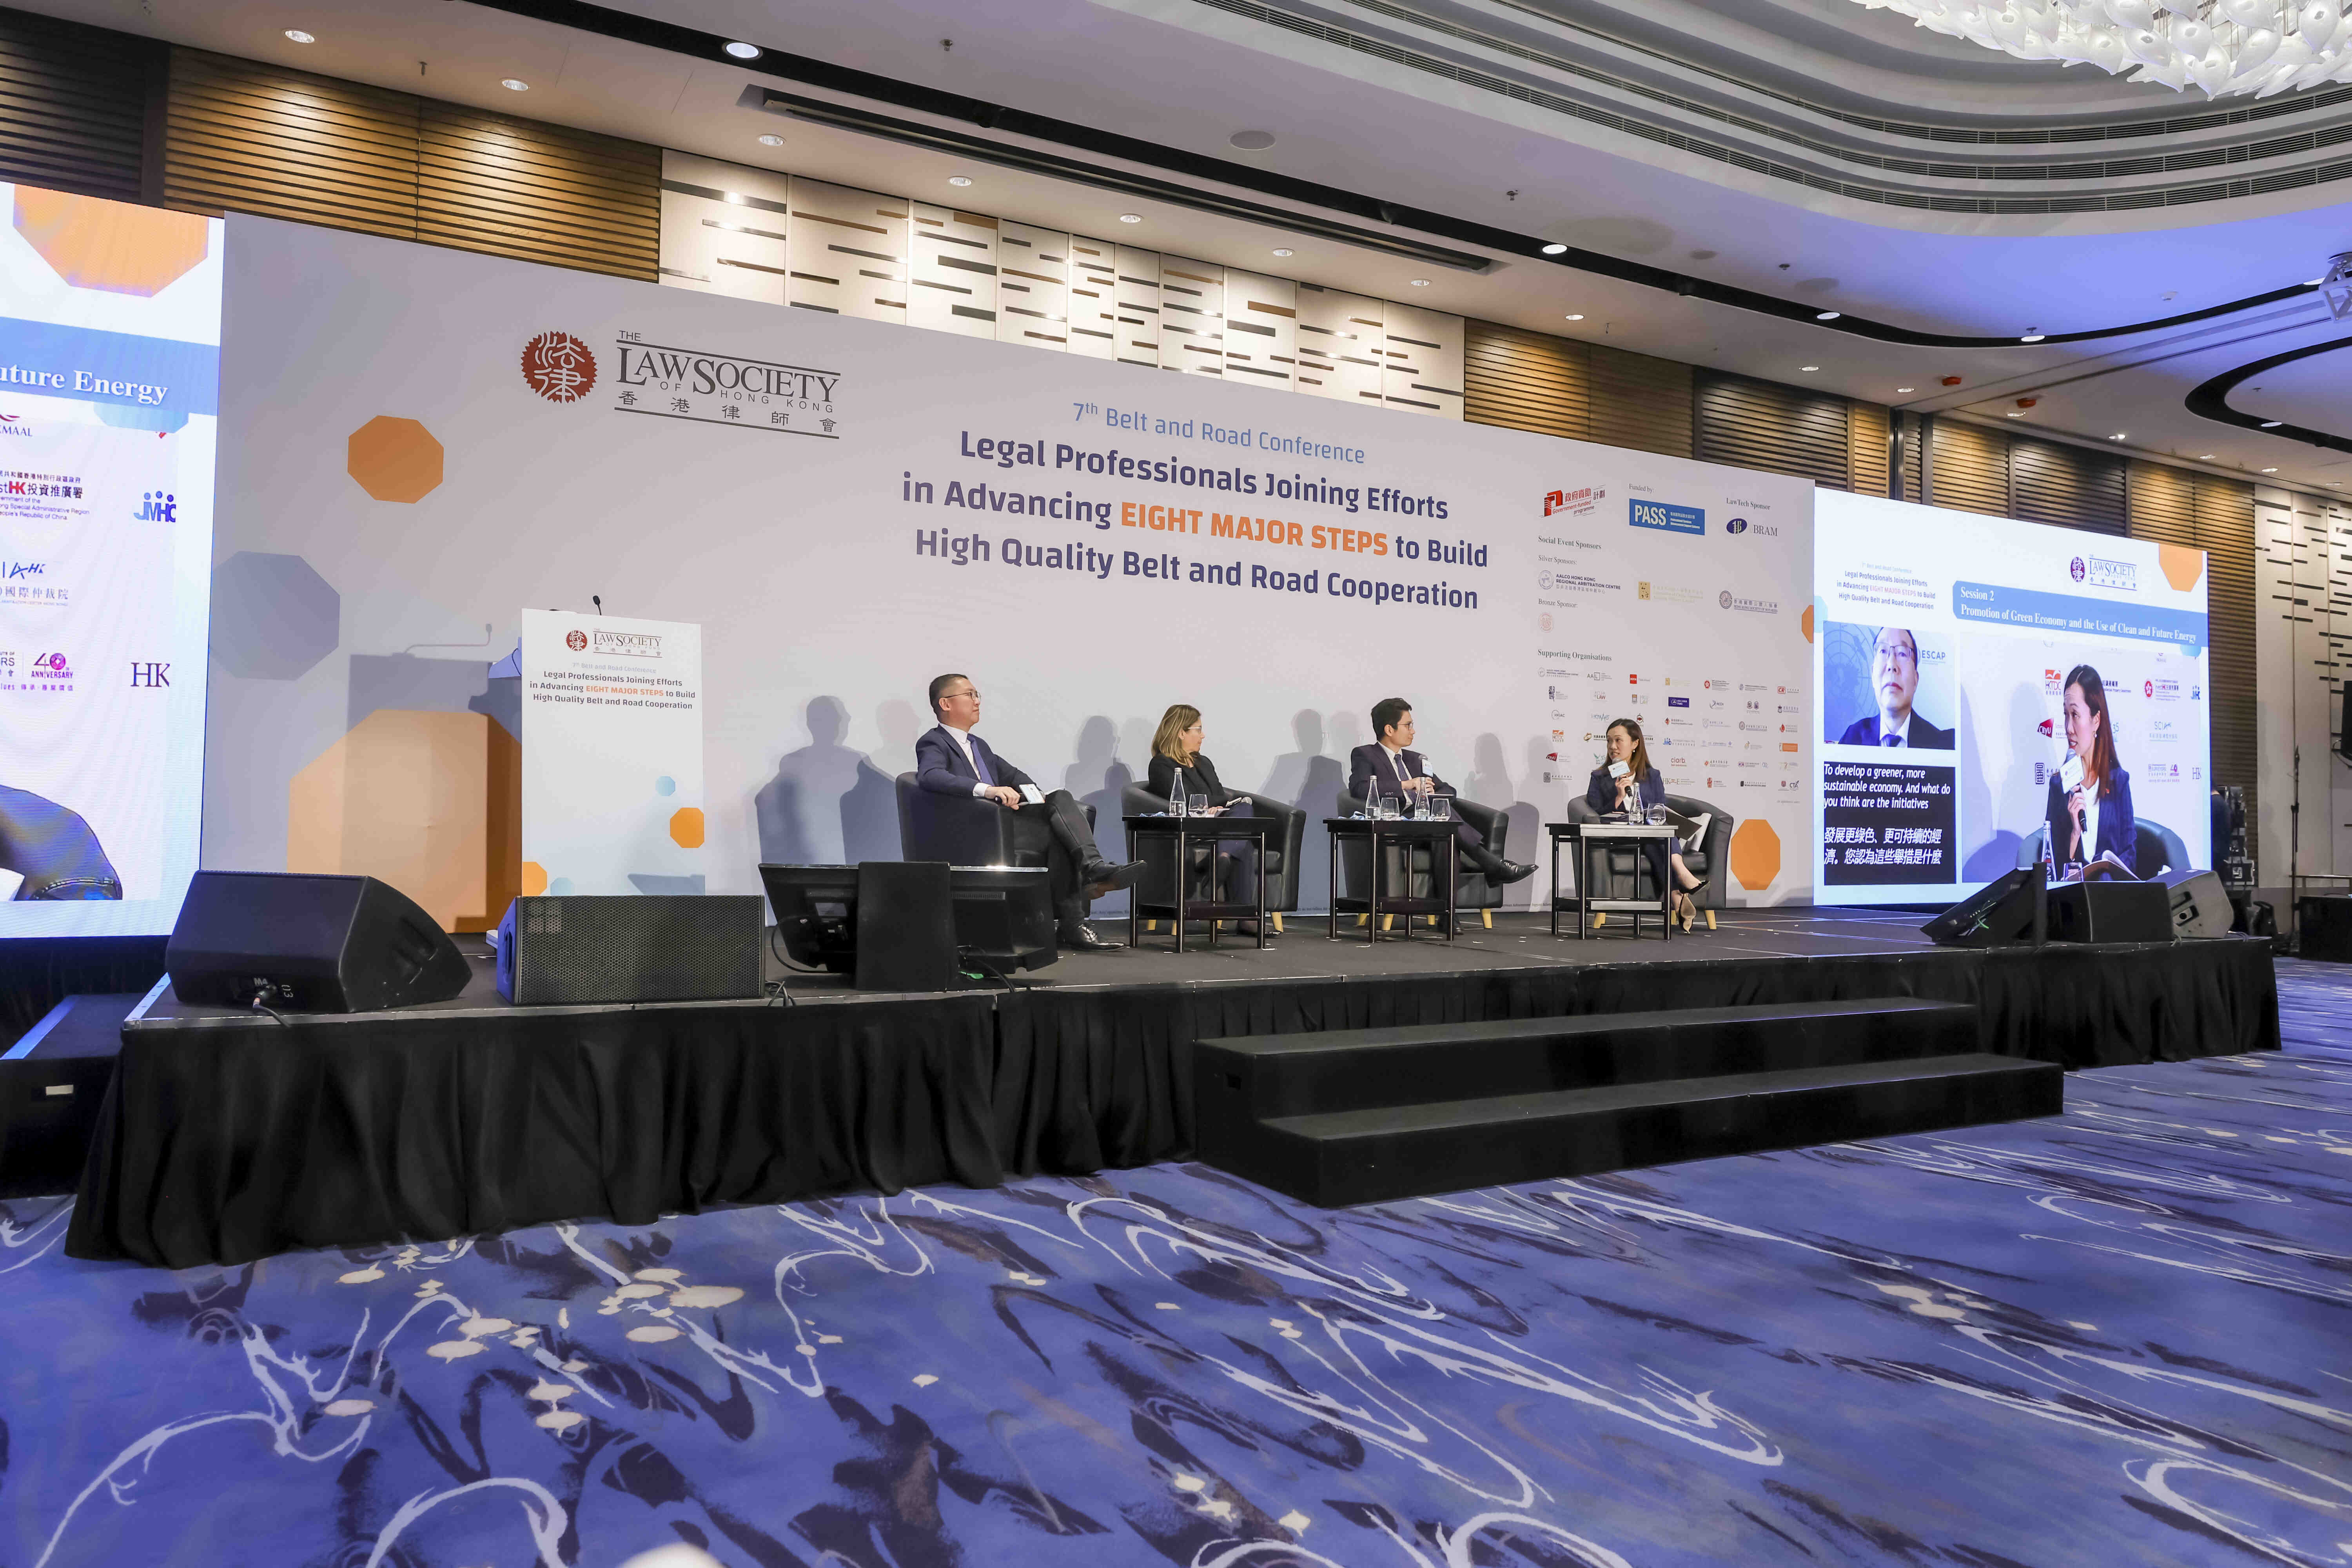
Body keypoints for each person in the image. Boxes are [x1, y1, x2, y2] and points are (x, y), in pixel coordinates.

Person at [915, 673, 1142, 951]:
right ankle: (1085, 891)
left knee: (1060, 805)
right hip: (975, 830)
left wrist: (1032, 798)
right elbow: (930, 776)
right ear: (946, 704)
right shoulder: (934, 742)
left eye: (977, 695)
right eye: (970, 695)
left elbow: (1016, 776)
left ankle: (1083, 893)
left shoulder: (979, 746)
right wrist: (988, 790)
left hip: (1003, 823)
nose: (977, 701)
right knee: (1060, 828)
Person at [1345, 697, 1535, 884]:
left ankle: (1448, 905)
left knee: (1445, 835)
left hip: (1428, 825)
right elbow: (1360, 788)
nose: (1413, 731)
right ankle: (1494, 866)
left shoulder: (1415, 759)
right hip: (1396, 826)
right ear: (1389, 730)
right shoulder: (1366, 754)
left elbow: (1449, 791)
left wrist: (1433, 794)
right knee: (1445, 823)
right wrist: (1406, 785)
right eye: (1408, 726)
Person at [1146, 704, 1268, 936]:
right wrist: (1209, 805)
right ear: (1181, 733)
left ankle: (1221, 858)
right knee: (1243, 843)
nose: (1203, 736)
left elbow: (1220, 796)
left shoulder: (1204, 762)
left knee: (1244, 808)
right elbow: (1181, 799)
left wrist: (1213, 806)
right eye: (1198, 730)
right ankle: (1245, 917)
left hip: (1218, 824)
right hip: (1190, 829)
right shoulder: (1161, 765)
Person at [1584, 718, 1708, 931]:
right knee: (1661, 836)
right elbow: (1595, 813)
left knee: (1659, 834)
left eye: (1618, 741)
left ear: (1635, 744)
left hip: (1650, 836)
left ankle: (1676, 895)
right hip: (1619, 838)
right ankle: (1683, 878)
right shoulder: (1599, 777)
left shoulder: (1652, 776)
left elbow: (1660, 809)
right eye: (1609, 741)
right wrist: (1618, 797)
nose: (1613, 747)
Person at [2043, 664, 2136, 876]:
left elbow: (2130, 856)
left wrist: (2105, 873)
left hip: (2111, 892)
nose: (2068, 728)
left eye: (2075, 715)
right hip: (2073, 894)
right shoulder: (2059, 786)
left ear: (2096, 720)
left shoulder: (2119, 782)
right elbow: (2052, 868)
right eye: (2066, 715)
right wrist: (2075, 835)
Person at [1835, 626, 1953, 750]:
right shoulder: (1852, 739)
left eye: (1902, 653)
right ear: (1873, 675)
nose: (1892, 665)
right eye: (1883, 651)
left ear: (1916, 680)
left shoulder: (1944, 745)